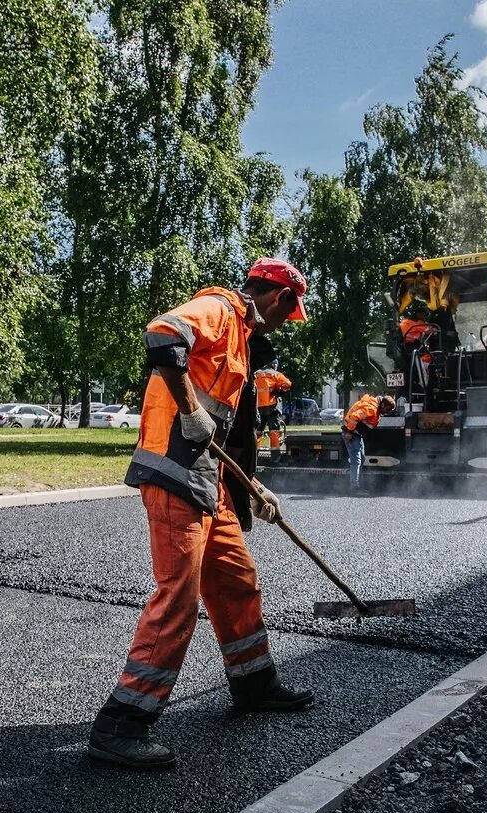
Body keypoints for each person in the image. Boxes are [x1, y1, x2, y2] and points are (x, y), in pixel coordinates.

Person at [87, 257, 312, 771]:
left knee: (236, 581)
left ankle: (254, 682)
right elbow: (162, 336)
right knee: (179, 599)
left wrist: (252, 486)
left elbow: (226, 431)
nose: (285, 323)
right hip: (174, 474)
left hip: (209, 481)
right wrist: (188, 411)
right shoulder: (218, 308)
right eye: (289, 312)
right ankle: (121, 724)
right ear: (279, 298)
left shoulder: (242, 337)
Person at [341, 394, 396, 492]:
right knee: (356, 461)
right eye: (387, 409)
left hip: (356, 434)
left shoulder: (375, 408)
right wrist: (349, 432)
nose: (388, 412)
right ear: (382, 405)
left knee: (361, 459)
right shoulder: (371, 409)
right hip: (351, 434)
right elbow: (354, 417)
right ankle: (354, 488)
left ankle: (356, 485)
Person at [253, 358, 292, 462]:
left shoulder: (256, 374)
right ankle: (275, 457)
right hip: (272, 407)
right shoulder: (275, 374)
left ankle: (253, 457)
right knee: (274, 431)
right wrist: (280, 391)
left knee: (257, 432)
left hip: (258, 407)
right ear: (274, 365)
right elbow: (288, 384)